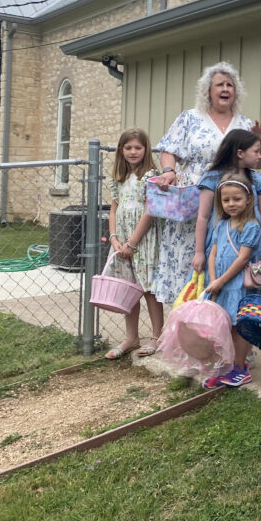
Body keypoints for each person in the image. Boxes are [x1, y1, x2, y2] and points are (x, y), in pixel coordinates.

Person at [151, 62, 261, 307]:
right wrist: (169, 170)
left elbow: (260, 162)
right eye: (219, 85)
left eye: (230, 85)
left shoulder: (245, 124)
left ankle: (224, 327)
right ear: (208, 91)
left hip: (234, 203)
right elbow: (168, 151)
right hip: (193, 203)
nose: (225, 89)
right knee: (189, 259)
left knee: (227, 261)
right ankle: (184, 327)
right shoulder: (190, 118)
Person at [105, 128, 163, 359]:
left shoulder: (150, 176)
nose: (132, 151)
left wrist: (133, 241)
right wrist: (114, 238)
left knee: (148, 289)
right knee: (127, 289)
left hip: (143, 240)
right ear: (121, 150)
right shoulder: (118, 178)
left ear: (145, 150)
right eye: (128, 147)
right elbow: (114, 209)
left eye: (137, 147)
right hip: (121, 242)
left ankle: (157, 335)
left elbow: (150, 210)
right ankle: (131, 336)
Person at [192, 129, 261, 291]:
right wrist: (199, 252)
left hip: (251, 247)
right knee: (217, 290)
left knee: (246, 291)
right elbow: (202, 217)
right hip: (220, 246)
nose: (260, 156)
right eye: (256, 151)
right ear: (240, 153)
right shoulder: (212, 179)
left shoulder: (258, 181)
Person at [204, 172, 261, 387]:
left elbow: (243, 258)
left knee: (240, 327)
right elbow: (212, 253)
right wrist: (213, 279)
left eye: (236, 199)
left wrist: (221, 281)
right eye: (226, 199)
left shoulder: (251, 226)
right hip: (220, 285)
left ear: (248, 199)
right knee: (226, 326)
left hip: (239, 286)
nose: (231, 204)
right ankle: (226, 367)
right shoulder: (221, 225)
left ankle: (240, 367)